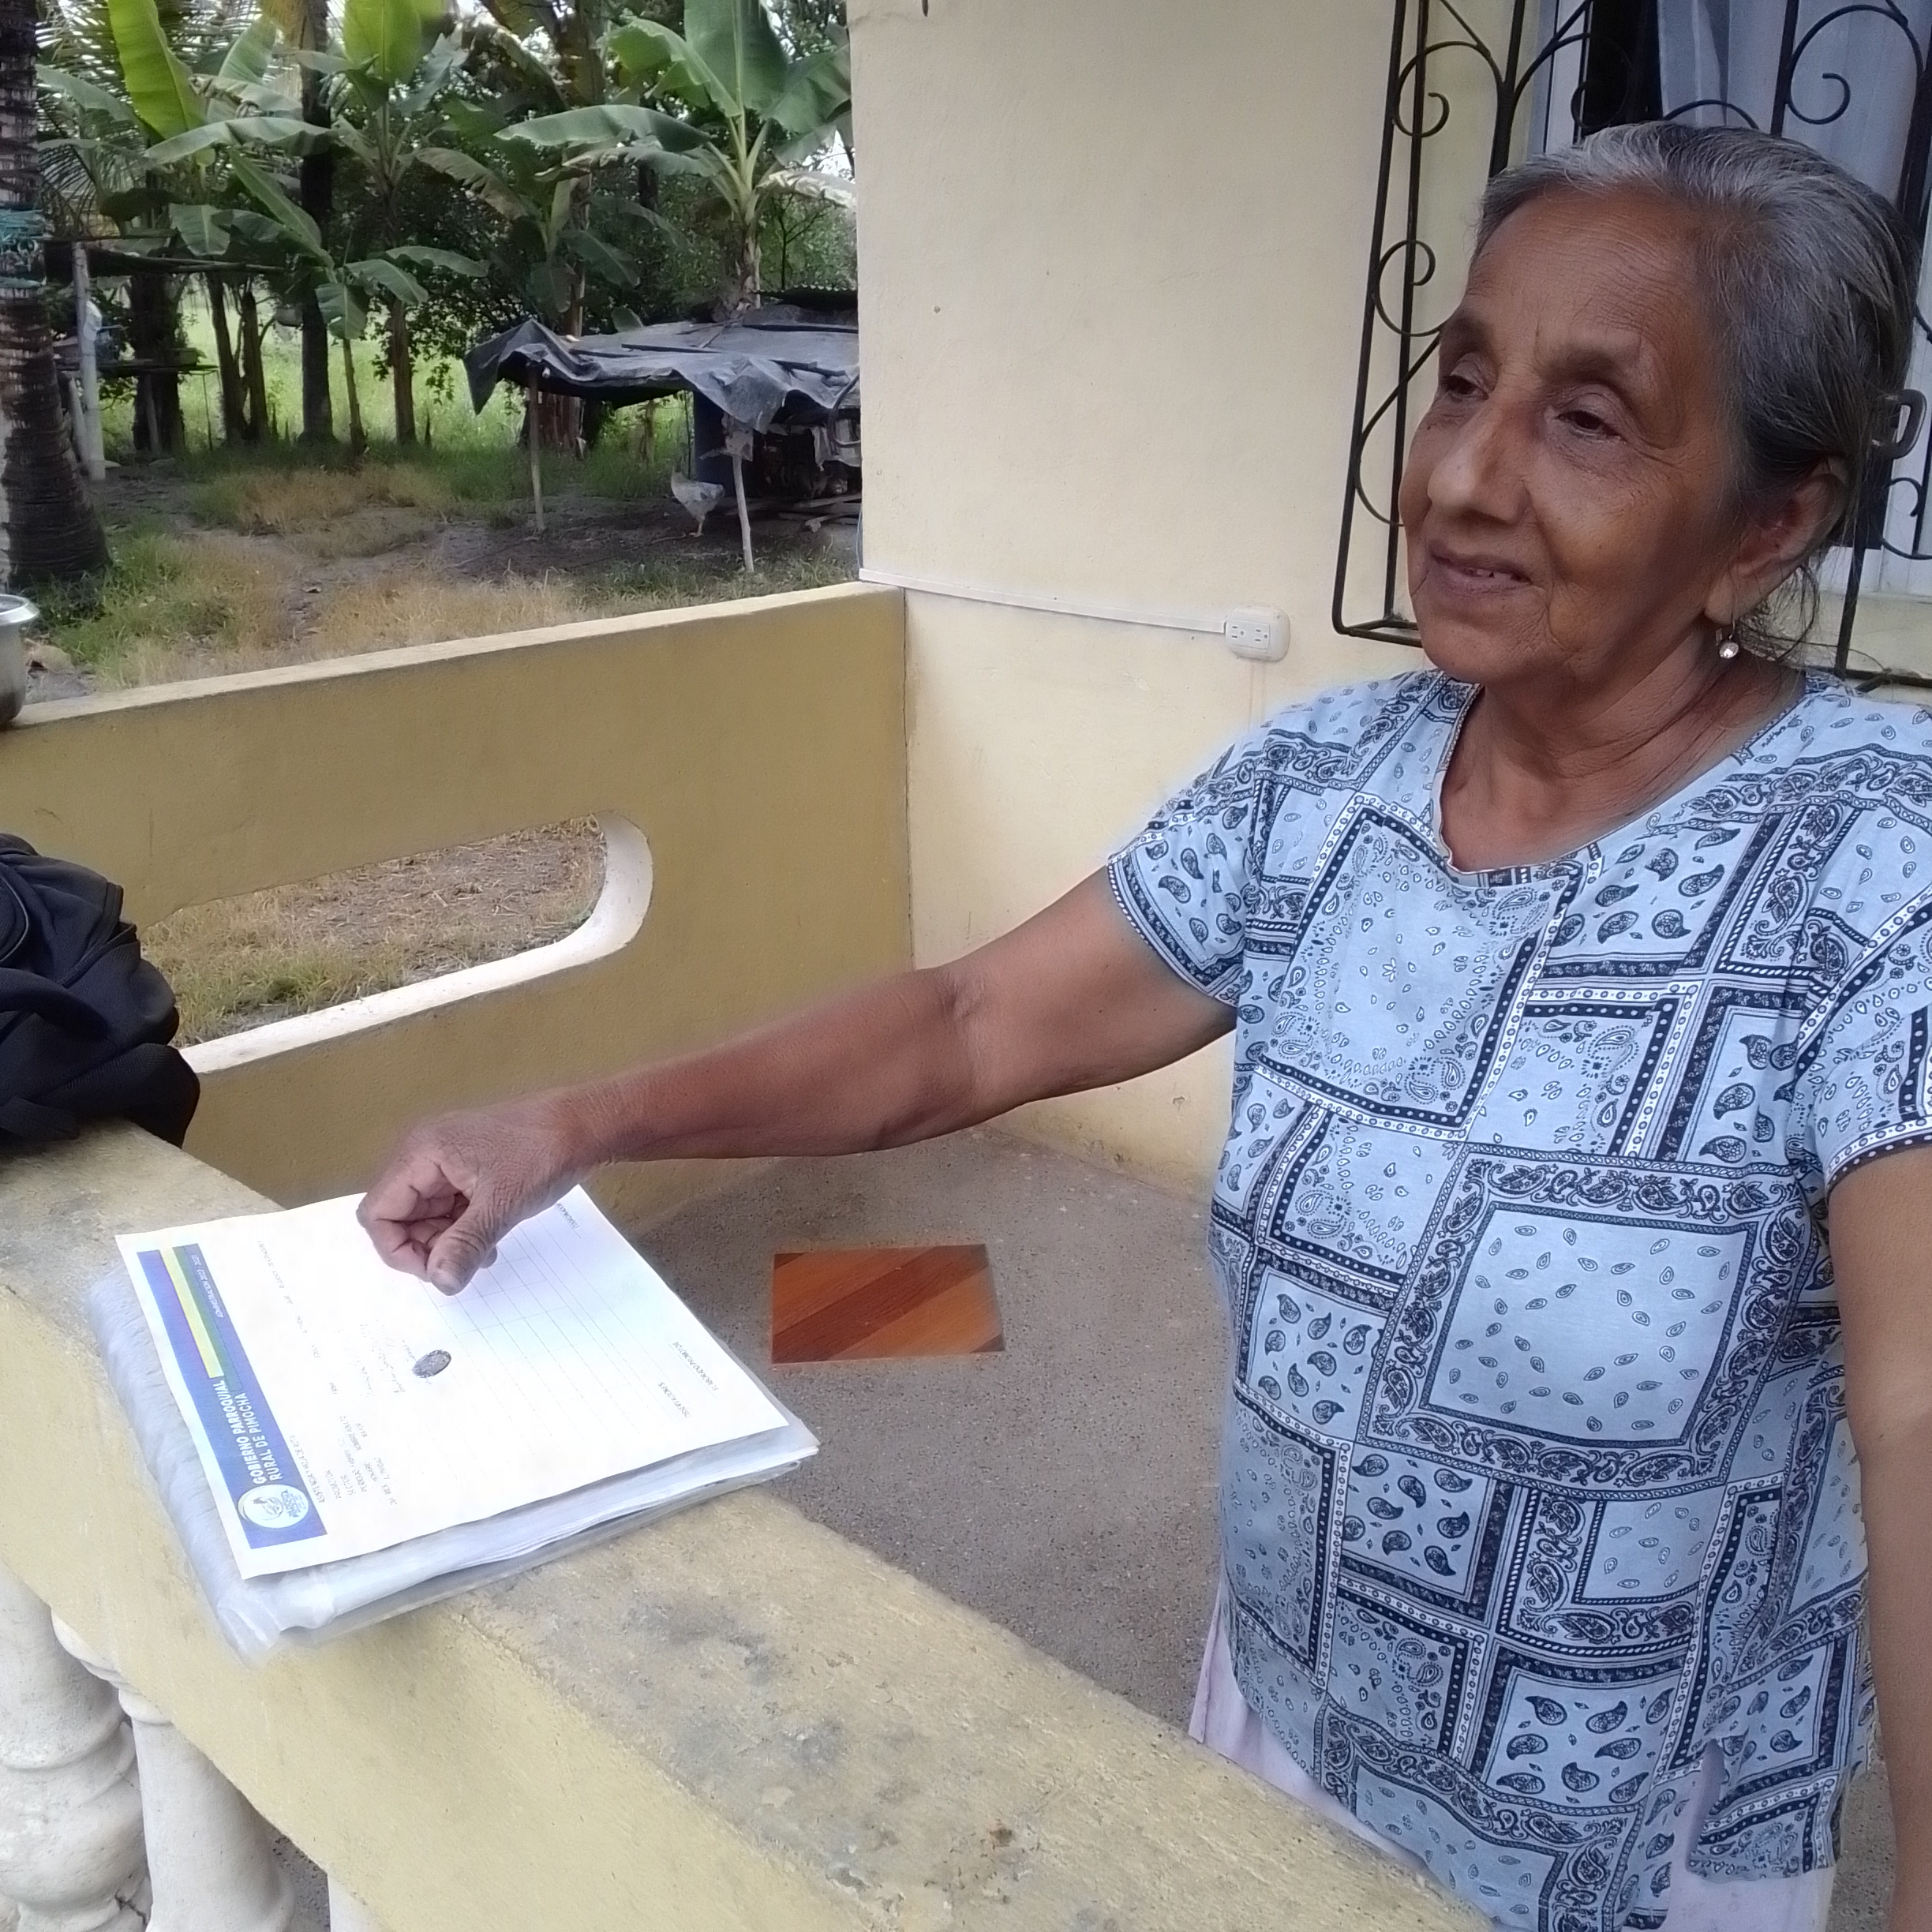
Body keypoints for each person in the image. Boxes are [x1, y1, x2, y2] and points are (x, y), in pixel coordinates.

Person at [359, 123, 1932, 1932]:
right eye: (1462, 381)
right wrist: (575, 1123)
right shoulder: (1322, 784)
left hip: (1621, 1848)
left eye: (1588, 420)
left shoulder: (1875, 867)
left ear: (1769, 524)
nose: (1465, 478)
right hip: (1278, 1722)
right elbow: (967, 1024)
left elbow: (1915, 1413)